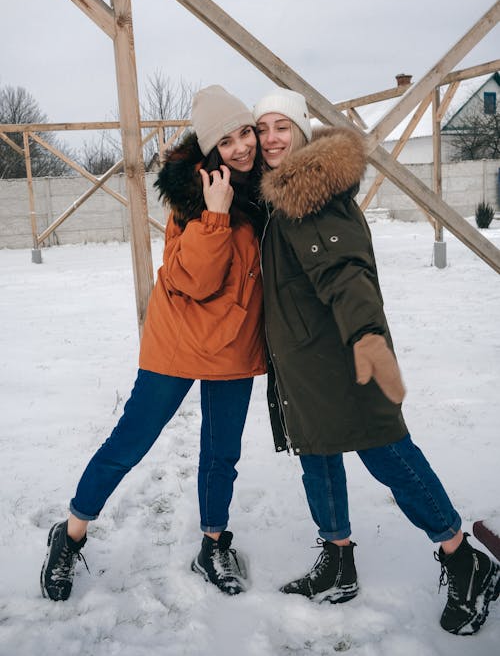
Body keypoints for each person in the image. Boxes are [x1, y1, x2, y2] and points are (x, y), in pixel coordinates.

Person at [253, 86, 500, 636]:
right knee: (316, 455)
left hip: (343, 360)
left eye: (281, 127)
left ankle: (465, 559)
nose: (271, 138)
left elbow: (344, 273)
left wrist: (366, 335)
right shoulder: (280, 194)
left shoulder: (306, 195)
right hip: (306, 366)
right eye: (262, 127)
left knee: (390, 455)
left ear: (299, 131)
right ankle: (338, 561)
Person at [40, 85, 266, 601]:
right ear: (210, 149)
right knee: (131, 442)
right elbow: (194, 278)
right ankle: (70, 536)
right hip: (179, 340)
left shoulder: (262, 192)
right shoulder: (196, 195)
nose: (241, 146)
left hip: (233, 342)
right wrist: (215, 214)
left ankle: (213, 545)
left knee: (220, 453)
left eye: (245, 132)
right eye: (226, 140)